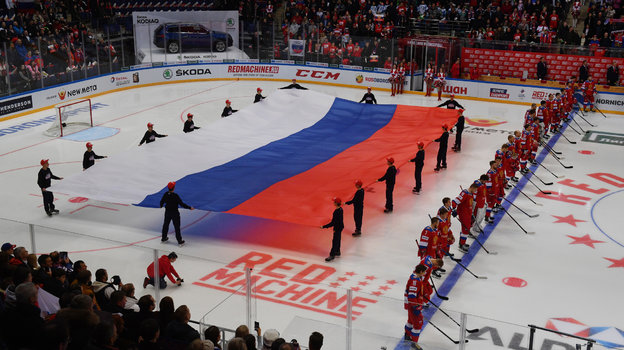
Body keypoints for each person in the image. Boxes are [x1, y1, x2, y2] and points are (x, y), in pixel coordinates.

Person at [403, 264, 427, 350]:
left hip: (411, 305)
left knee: (410, 321)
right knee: (418, 324)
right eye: (424, 272)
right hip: (413, 306)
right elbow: (412, 296)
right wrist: (416, 307)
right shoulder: (415, 281)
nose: (424, 274)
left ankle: (407, 335)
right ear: (420, 271)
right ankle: (414, 343)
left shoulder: (415, 277)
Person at [452, 184, 478, 253]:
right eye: (475, 189)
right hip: (464, 214)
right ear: (472, 187)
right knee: (465, 229)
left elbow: (469, 204)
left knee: (466, 229)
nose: (475, 191)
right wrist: (454, 209)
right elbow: (455, 201)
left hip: (468, 214)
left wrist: (471, 214)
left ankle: (462, 242)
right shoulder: (465, 193)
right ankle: (461, 245)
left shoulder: (471, 194)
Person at [321, 197, 344, 262]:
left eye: (334, 201)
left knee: (335, 241)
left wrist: (324, 226)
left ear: (336, 203)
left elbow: (333, 222)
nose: (333, 202)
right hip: (340, 227)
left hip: (337, 228)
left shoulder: (336, 212)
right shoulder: (341, 209)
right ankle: (337, 251)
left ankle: (332, 255)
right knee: (338, 239)